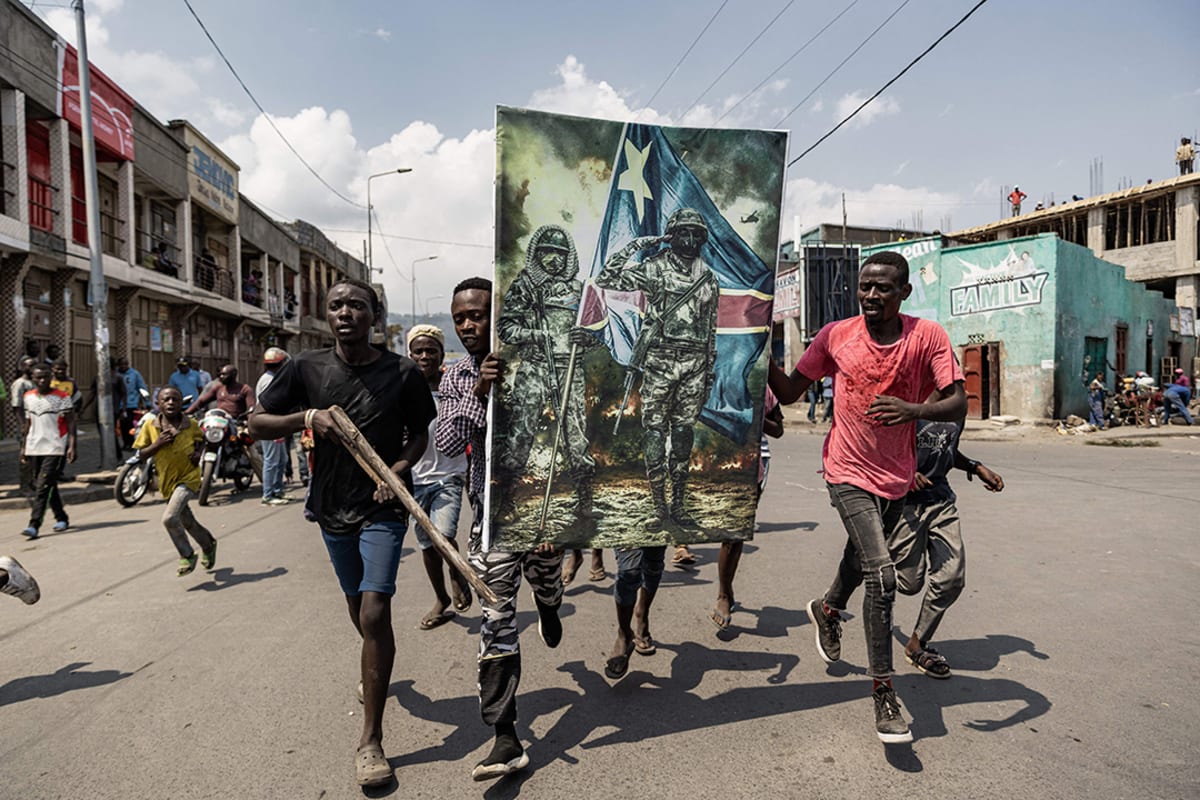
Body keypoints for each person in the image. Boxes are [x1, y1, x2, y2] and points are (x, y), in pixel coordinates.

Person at [768, 250, 965, 744]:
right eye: (865, 287)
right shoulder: (836, 335)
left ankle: (829, 609)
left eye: (883, 288)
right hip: (846, 469)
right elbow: (791, 392)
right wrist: (758, 352)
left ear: (904, 292)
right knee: (882, 573)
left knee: (861, 555)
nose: (872, 295)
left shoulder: (928, 337)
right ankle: (883, 692)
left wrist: (914, 409)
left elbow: (958, 401)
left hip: (897, 476)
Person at [250, 278, 434, 788]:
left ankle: (371, 740)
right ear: (327, 316)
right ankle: (375, 664)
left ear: (374, 315)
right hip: (331, 508)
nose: (345, 312)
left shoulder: (401, 372)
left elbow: (419, 433)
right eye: (336, 306)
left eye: (356, 305)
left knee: (376, 609)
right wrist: (307, 416)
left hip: (383, 506)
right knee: (357, 606)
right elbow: (257, 421)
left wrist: (398, 469)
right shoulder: (306, 367)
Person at [435, 277, 563, 782]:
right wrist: (481, 390)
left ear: (499, 315)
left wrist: (557, 516)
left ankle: (551, 606)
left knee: (548, 583)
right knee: (496, 623)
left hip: (542, 513)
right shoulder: (456, 376)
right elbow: (447, 441)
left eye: (478, 315)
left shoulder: (538, 362)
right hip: (492, 523)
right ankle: (506, 736)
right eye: (460, 317)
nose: (469, 325)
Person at [596, 207, 719, 554]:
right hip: (660, 359)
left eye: (696, 234)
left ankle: (678, 506)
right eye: (683, 233)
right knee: (654, 433)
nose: (690, 240)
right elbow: (607, 277)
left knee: (682, 435)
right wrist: (645, 243)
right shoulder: (654, 267)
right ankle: (658, 508)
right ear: (672, 235)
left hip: (694, 362)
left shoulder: (709, 277)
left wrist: (709, 369)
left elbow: (710, 330)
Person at [495, 224, 601, 522]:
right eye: (547, 253)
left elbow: (596, 331)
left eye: (559, 254)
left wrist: (587, 337)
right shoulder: (525, 285)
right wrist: (533, 333)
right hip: (536, 366)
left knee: (576, 434)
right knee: (521, 434)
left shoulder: (579, 290)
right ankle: (507, 500)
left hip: (569, 369)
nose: (554, 259)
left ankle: (584, 499)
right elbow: (506, 327)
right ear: (537, 254)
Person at [407, 324, 474, 629]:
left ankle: (457, 573)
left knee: (443, 536)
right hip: (413, 479)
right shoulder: (403, 387)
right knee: (426, 546)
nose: (424, 356)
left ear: (440, 353)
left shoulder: (453, 385)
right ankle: (441, 598)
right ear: (410, 354)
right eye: (418, 351)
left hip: (449, 474)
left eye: (431, 351)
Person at [711, 390, 783, 631]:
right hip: (720, 458)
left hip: (756, 461)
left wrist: (756, 417)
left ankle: (724, 593)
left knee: (736, 531)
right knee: (730, 530)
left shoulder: (765, 388)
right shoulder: (717, 377)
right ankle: (725, 589)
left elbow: (778, 429)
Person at [133, 385, 218, 577]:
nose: (171, 402)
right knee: (186, 521)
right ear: (158, 404)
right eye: (166, 399)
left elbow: (201, 440)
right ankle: (208, 543)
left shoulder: (192, 424)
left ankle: (187, 554)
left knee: (169, 518)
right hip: (167, 481)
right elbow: (140, 454)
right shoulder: (150, 425)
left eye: (175, 399)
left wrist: (198, 453)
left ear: (181, 403)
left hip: (188, 478)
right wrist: (158, 444)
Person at [20, 365, 77, 539]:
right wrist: (23, 448)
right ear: (33, 379)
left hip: (55, 446)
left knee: (43, 486)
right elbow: (28, 424)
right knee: (46, 483)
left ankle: (34, 524)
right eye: (38, 377)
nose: (42, 380)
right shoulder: (28, 397)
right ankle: (62, 517)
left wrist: (72, 446)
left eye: (45, 377)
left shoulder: (61, 397)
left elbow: (71, 422)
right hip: (34, 446)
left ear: (50, 377)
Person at [255, 348, 291, 505]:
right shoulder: (270, 380)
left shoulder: (272, 377)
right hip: (270, 424)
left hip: (275, 424)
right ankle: (268, 495)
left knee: (281, 459)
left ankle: (278, 490)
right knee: (271, 461)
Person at [9, 357, 37, 494]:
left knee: (35, 455)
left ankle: (32, 482)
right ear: (23, 367)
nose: (32, 368)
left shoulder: (35, 383)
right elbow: (16, 406)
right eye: (30, 365)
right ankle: (24, 486)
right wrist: (23, 425)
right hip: (26, 424)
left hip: (36, 423)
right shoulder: (20, 384)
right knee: (25, 455)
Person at [185, 364, 254, 418]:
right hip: (218, 420)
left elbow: (250, 409)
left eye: (224, 374)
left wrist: (250, 422)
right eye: (220, 374)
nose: (221, 376)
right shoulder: (218, 387)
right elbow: (201, 401)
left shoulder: (245, 389)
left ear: (233, 375)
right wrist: (186, 413)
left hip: (235, 422)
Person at [117, 357, 149, 451]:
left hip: (131, 404)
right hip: (119, 404)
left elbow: (142, 387)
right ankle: (125, 443)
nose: (124, 366)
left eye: (125, 364)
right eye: (122, 364)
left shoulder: (134, 374)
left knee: (130, 424)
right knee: (122, 425)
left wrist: (147, 402)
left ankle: (132, 443)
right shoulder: (116, 374)